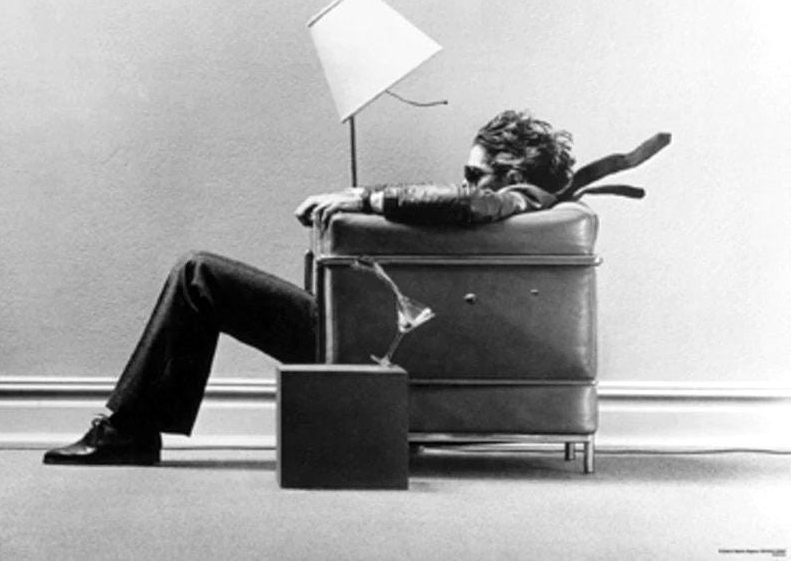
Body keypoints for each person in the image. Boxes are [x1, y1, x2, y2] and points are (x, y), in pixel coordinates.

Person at [42, 109, 575, 466]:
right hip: (379, 336)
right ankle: (132, 427)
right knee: (200, 275)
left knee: (198, 274)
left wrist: (363, 200)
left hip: (370, 348)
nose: (466, 183)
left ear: (512, 174)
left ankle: (129, 430)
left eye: (475, 173)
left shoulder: (515, 200)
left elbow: (469, 203)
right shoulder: (528, 209)